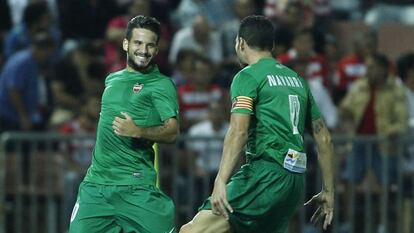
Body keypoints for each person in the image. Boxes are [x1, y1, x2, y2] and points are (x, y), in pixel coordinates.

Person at [179, 15, 334, 233]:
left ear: (240, 43)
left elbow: (238, 131)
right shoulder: (298, 81)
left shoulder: (248, 76)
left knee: (193, 231)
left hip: (265, 174)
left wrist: (220, 181)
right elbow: (324, 138)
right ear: (271, 46)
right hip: (294, 181)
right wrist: (328, 190)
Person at [68, 15, 179, 233]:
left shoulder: (162, 85)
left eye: (150, 45)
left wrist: (139, 131)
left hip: (135, 188)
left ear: (156, 50)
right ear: (126, 44)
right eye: (138, 43)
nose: (144, 50)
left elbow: (172, 131)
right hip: (95, 187)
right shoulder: (112, 79)